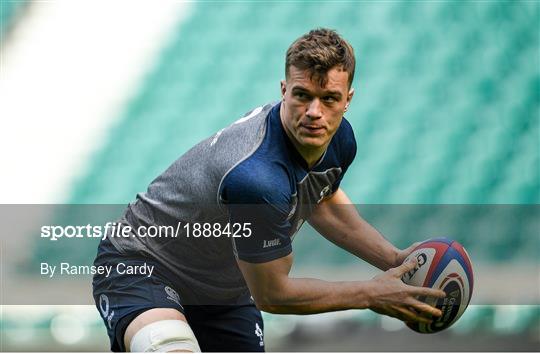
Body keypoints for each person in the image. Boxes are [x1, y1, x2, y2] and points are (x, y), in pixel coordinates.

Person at [92, 28, 445, 352]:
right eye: (302, 95)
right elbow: (273, 294)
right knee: (167, 347)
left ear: (348, 99)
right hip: (142, 263)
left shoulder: (340, 140)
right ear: (283, 91)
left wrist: (396, 260)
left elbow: (319, 199)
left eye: (329, 99)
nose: (313, 112)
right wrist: (371, 293)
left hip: (222, 291)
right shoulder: (257, 177)